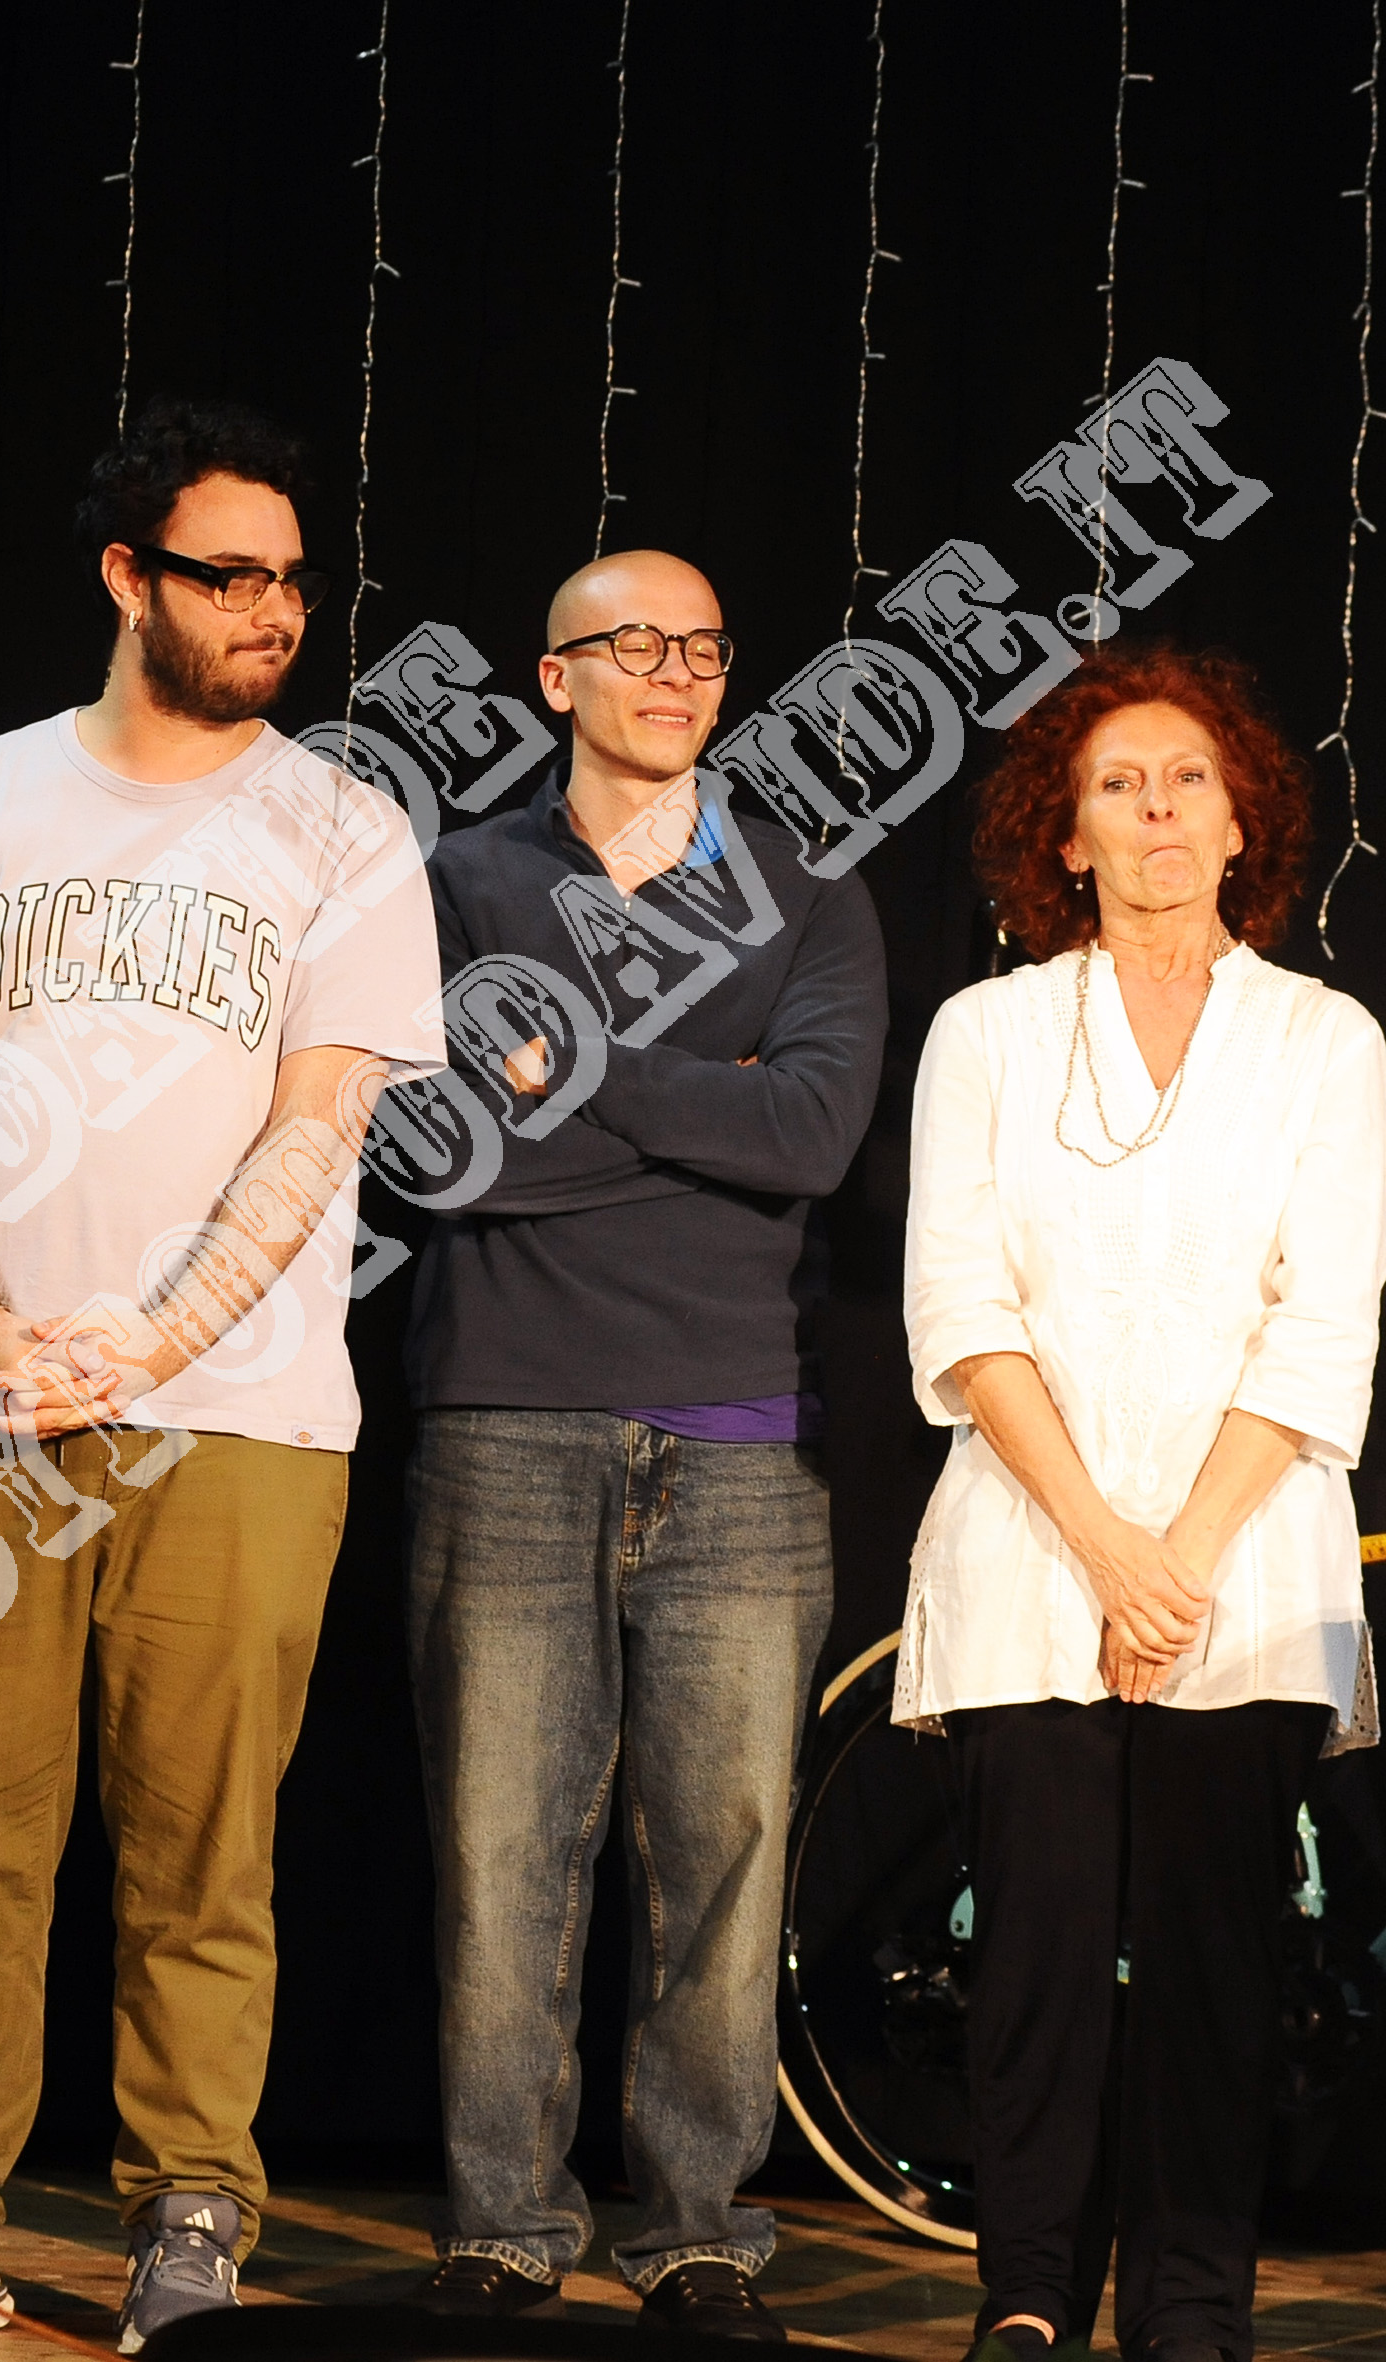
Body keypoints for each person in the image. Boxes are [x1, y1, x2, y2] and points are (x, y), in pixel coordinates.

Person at [0, 398, 442, 2353]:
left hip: (240, 1412)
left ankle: (188, 2218)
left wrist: (153, 1334)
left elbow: (318, 1126)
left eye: (294, 580)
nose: (274, 611)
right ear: (127, 577)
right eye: (230, 575)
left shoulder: (343, 827)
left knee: (203, 1851)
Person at [402, 551, 884, 2339]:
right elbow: (440, 1154)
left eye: (703, 645)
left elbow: (813, 1133)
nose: (674, 670)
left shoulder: (808, 890)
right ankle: (505, 2221)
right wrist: (705, 1106)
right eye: (633, 643)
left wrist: (577, 1064)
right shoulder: (458, 881)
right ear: (555, 678)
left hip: (744, 1435)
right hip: (504, 1415)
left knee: (724, 1852)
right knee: (499, 1847)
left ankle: (695, 2226)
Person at [896, 642, 1386, 2362]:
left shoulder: (1321, 1039)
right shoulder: (988, 1031)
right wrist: (1107, 1548)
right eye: (1120, 784)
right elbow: (958, 1305)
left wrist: (1176, 1563)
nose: (1160, 809)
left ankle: (1190, 2311)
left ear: (1244, 822)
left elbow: (1324, 1325)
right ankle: (1028, 2295)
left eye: (1190, 780)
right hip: (1033, 1554)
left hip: (1247, 1567)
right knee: (1034, 1959)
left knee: (1212, 1970)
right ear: (1069, 834)